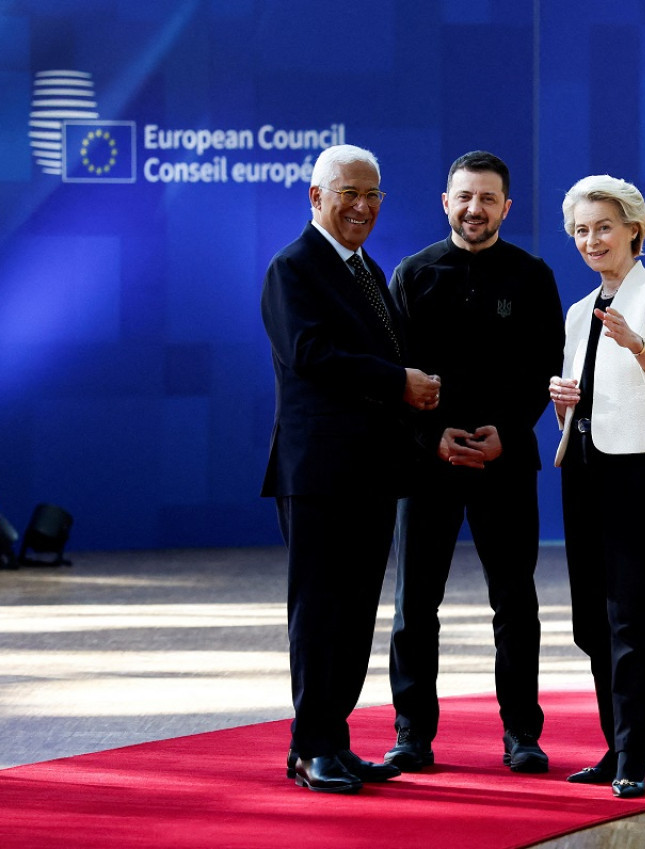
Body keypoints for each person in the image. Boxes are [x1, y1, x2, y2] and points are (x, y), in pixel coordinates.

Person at [260, 144, 442, 794]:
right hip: (318, 473)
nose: (362, 206)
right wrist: (400, 382)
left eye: (373, 195)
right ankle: (311, 748)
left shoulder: (367, 268)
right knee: (320, 611)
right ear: (316, 197)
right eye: (348, 194)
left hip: (371, 471)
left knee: (358, 611)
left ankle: (333, 740)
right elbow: (311, 354)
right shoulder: (294, 268)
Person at [384, 151, 564, 773]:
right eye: (464, 196)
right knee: (414, 603)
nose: (475, 208)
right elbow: (392, 372)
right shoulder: (410, 275)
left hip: (506, 461)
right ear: (446, 201)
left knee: (516, 602)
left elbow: (548, 369)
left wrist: (506, 434)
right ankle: (412, 734)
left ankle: (522, 734)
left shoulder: (533, 276)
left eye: (488, 199)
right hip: (425, 461)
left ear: (506, 207)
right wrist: (430, 434)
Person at [548, 175, 645, 799]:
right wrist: (562, 403)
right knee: (590, 621)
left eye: (603, 226)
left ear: (634, 228)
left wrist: (636, 343)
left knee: (631, 615)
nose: (591, 239)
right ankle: (613, 746)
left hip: (643, 470)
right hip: (583, 468)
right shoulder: (580, 311)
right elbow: (588, 400)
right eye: (580, 230)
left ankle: (636, 751)